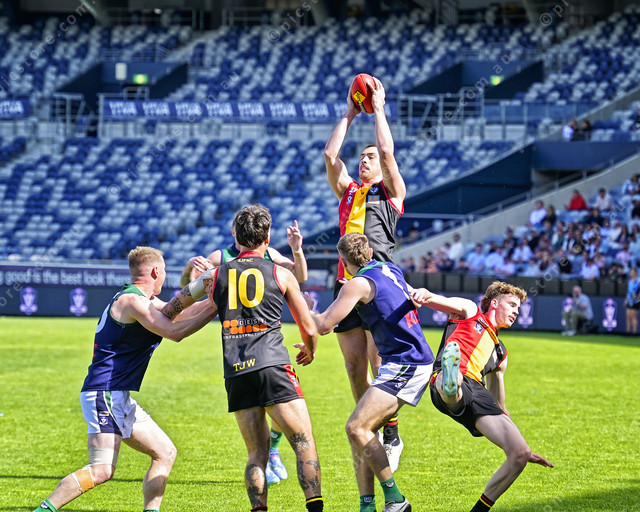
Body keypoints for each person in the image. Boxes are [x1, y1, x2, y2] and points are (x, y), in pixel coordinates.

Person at [162, 205, 323, 512]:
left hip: (236, 370)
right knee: (303, 443)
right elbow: (309, 328)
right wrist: (310, 348)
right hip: (273, 365)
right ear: (267, 237)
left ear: (236, 235)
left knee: (255, 454)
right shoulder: (280, 273)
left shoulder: (214, 274)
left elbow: (172, 309)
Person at [33, 247, 217, 512]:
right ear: (156, 271)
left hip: (117, 395)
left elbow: (175, 312)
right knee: (101, 469)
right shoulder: (132, 301)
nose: (165, 276)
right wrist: (214, 307)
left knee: (165, 453)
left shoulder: (140, 299)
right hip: (105, 392)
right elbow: (174, 331)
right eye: (164, 271)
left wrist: (209, 293)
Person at [308, 233, 434, 512]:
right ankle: (367, 506)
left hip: (407, 363)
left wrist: (308, 309)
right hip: (408, 359)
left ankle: (396, 500)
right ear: (370, 252)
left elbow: (324, 325)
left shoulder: (357, 284)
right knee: (361, 431)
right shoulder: (389, 268)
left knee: (357, 428)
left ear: (343, 261)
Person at [179, 219, 308, 485]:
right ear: (233, 233)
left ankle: (272, 451)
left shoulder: (269, 254)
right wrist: (190, 269)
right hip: (240, 340)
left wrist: (297, 249)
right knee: (268, 409)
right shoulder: (220, 257)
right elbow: (192, 288)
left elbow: (299, 276)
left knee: (279, 403)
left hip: (265, 340)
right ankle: (267, 456)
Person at [410, 281, 553, 512]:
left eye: (519, 308)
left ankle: (478, 510)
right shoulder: (470, 311)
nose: (517, 311)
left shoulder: (500, 354)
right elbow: (433, 299)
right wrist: (422, 293)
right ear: (494, 303)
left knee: (519, 454)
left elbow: (499, 404)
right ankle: (450, 381)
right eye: (512, 305)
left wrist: (517, 440)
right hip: (448, 381)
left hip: (477, 393)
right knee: (454, 384)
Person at [324, 75, 406, 469]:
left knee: (378, 364)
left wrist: (379, 108)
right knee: (354, 367)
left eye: (369, 157)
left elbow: (388, 152)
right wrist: (349, 112)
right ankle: (368, 427)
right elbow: (330, 156)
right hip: (346, 283)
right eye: (362, 157)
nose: (365, 160)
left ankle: (391, 432)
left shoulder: (390, 193)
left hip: (379, 283)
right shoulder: (349, 191)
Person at [625, 267, 640, 334]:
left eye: (633, 272)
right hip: (629, 301)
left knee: (633, 317)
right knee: (628, 316)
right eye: (631, 272)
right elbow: (628, 292)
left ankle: (634, 332)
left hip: (636, 301)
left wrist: (637, 296)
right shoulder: (629, 281)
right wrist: (626, 300)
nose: (632, 274)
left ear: (636, 273)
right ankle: (628, 331)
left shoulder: (639, 281)